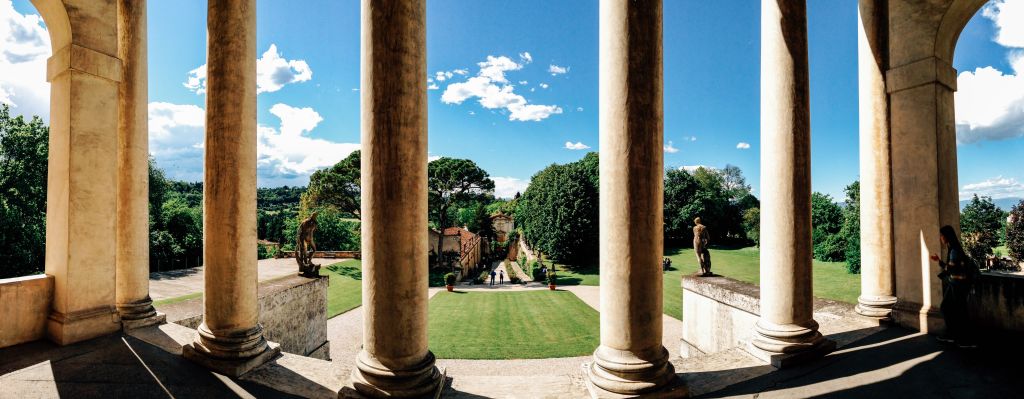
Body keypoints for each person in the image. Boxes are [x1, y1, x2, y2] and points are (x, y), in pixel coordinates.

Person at [929, 225, 977, 348]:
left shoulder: (954, 251)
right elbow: (952, 268)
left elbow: (951, 269)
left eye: (941, 236)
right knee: (949, 308)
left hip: (958, 285)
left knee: (957, 311)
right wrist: (939, 262)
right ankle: (953, 335)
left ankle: (966, 340)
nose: (940, 238)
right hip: (956, 284)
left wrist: (940, 263)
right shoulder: (953, 248)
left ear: (946, 237)